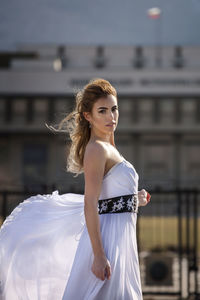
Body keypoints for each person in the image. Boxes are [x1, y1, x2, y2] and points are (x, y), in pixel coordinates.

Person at [0, 78, 150, 300]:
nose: (111, 116)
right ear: (88, 116)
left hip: (121, 240)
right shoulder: (97, 149)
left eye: (114, 109)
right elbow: (91, 202)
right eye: (103, 111)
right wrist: (99, 255)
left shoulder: (109, 147)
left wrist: (133, 199)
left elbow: (108, 198)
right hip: (108, 242)